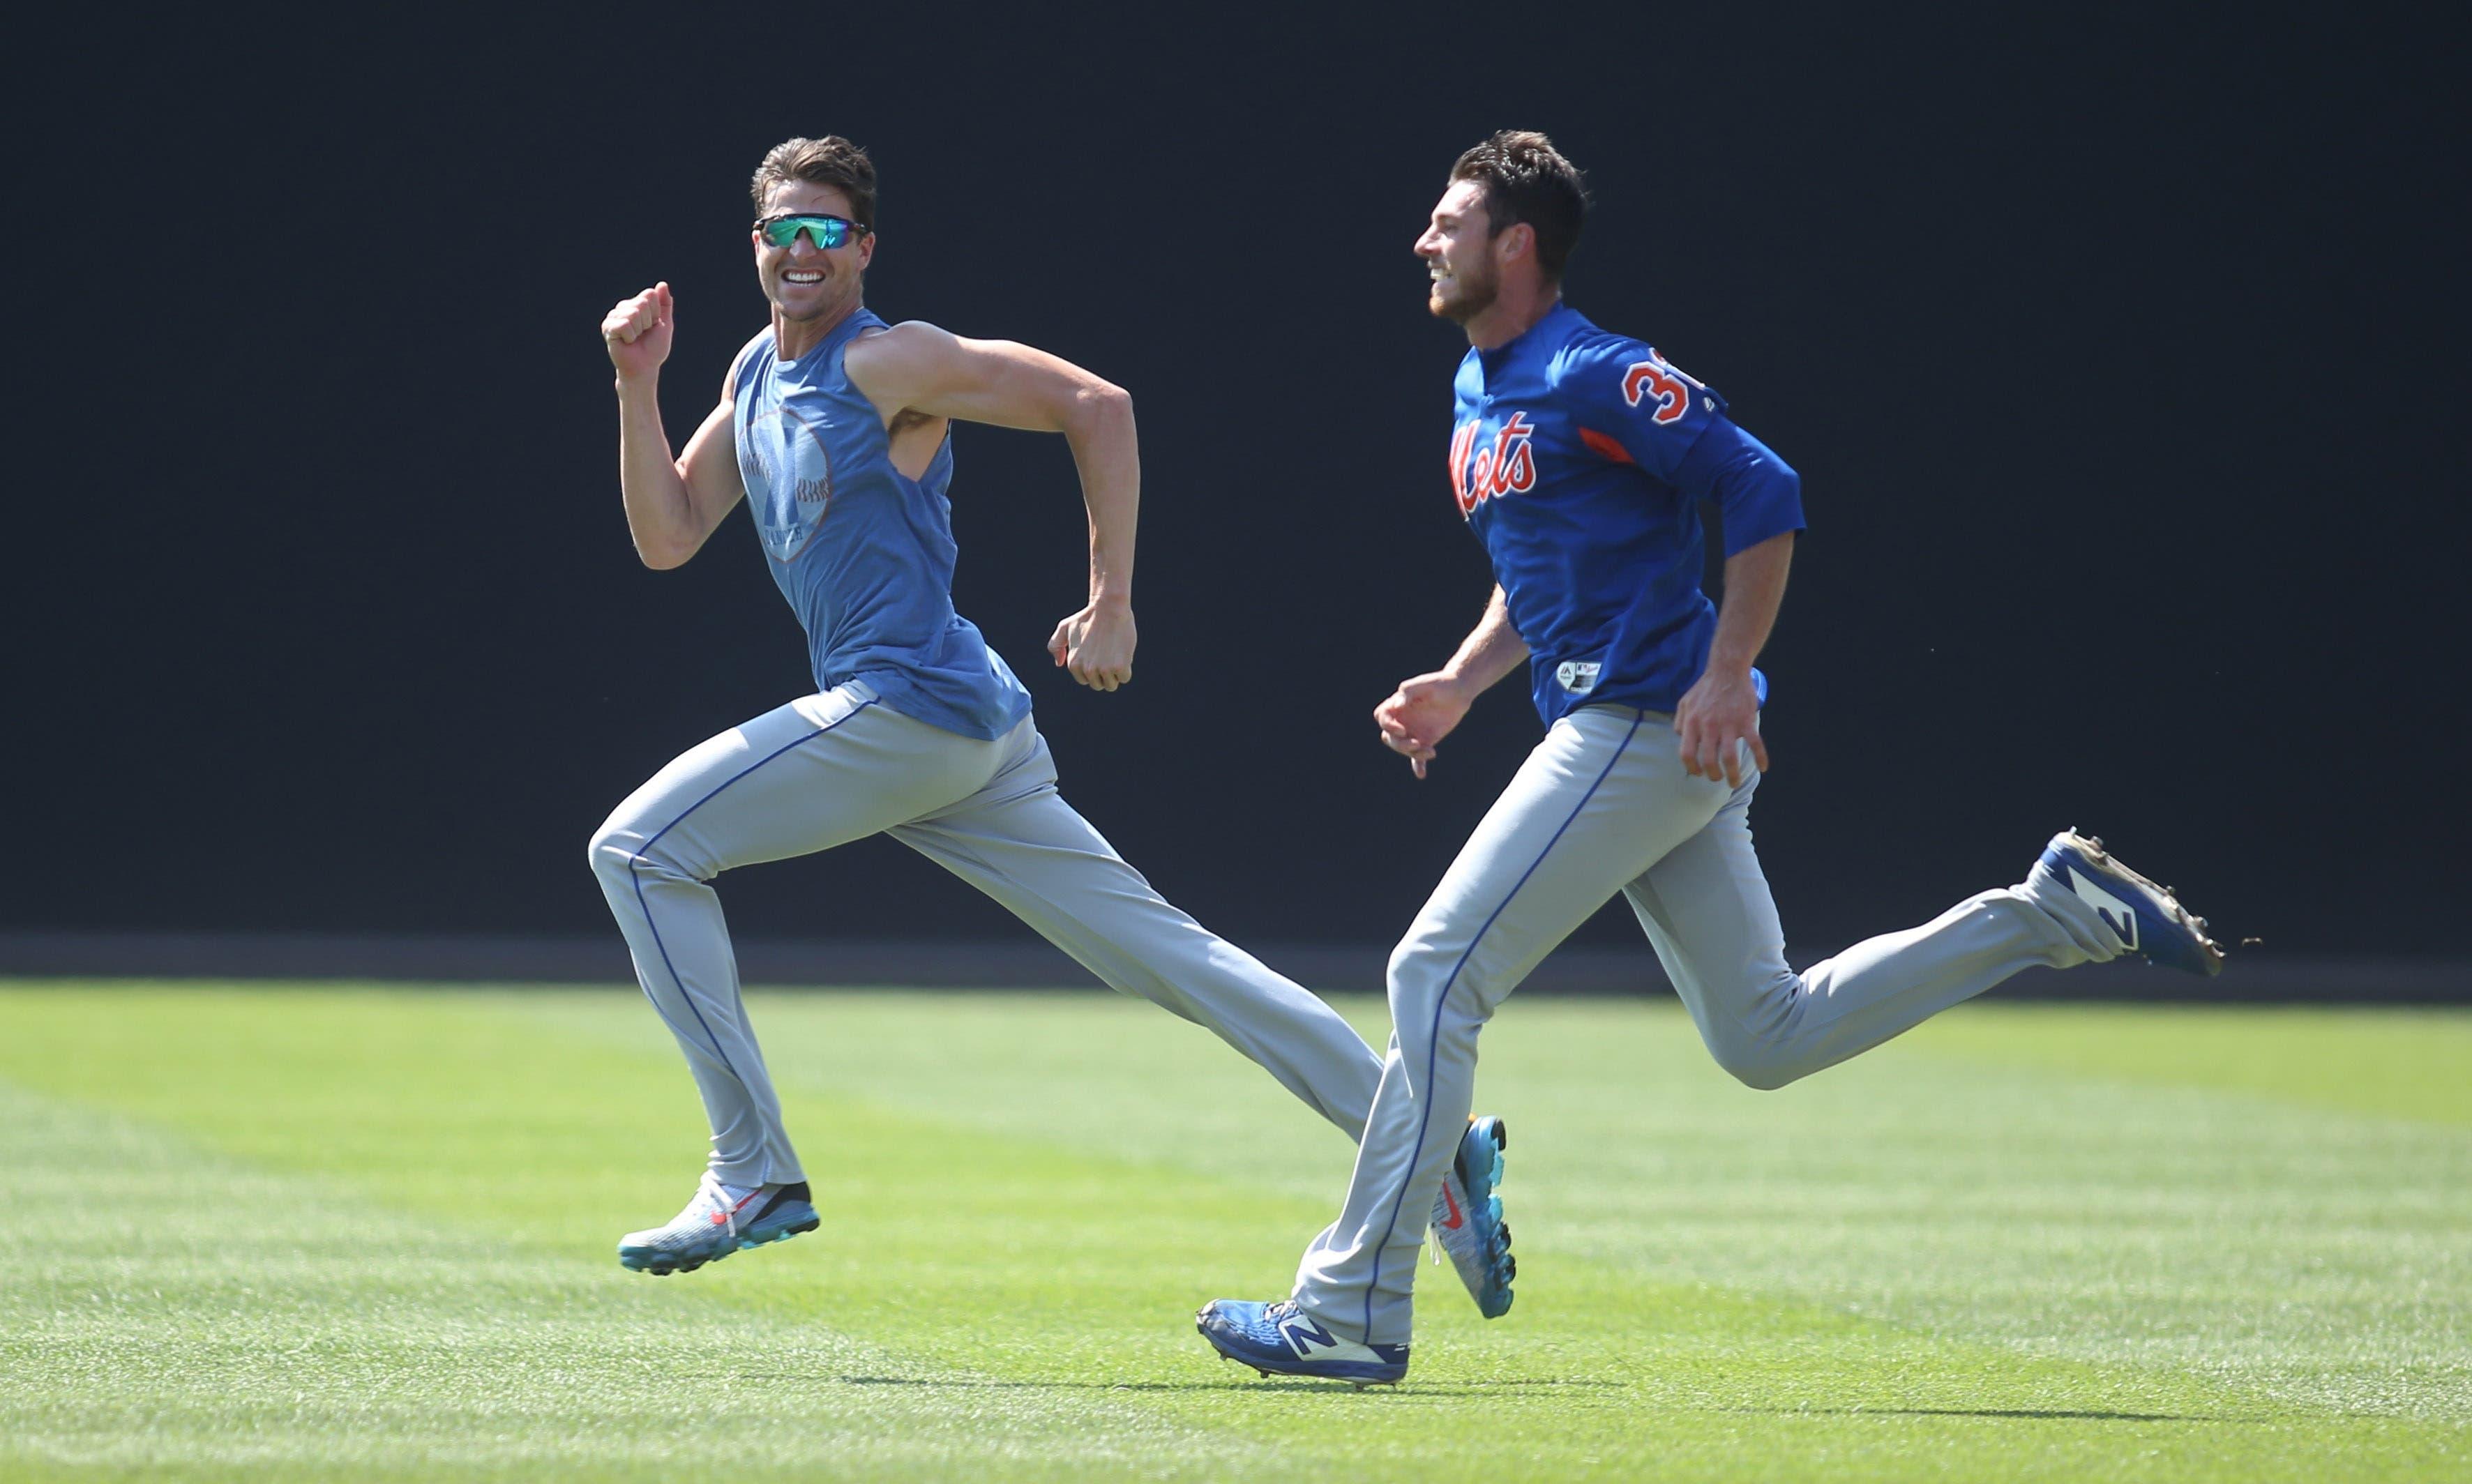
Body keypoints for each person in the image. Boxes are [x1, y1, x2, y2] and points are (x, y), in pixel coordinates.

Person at [1195, 130, 2223, 1387]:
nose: (1427, 239)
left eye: (1450, 222)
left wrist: (1729, 673)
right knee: (1764, 1035)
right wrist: (1463, 682)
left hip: (1643, 722)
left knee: (1433, 973)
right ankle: (2048, 914)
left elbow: (1763, 488)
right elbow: (1547, 568)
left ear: (1517, 244)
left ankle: (1353, 1310)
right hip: (1633, 728)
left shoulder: (1595, 370)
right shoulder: (1482, 384)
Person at [587, 135, 1515, 1315]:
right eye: (783, 229)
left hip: (909, 707)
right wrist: (633, 382)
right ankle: (1436, 1146)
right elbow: (667, 534)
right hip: (959, 740)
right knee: (1181, 965)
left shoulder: (892, 361)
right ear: (755, 244)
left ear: (865, 249)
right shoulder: (752, 378)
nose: (803, 250)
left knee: (639, 848)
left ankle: (753, 1171)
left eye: (828, 230)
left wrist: (1114, 598)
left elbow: (1097, 405)